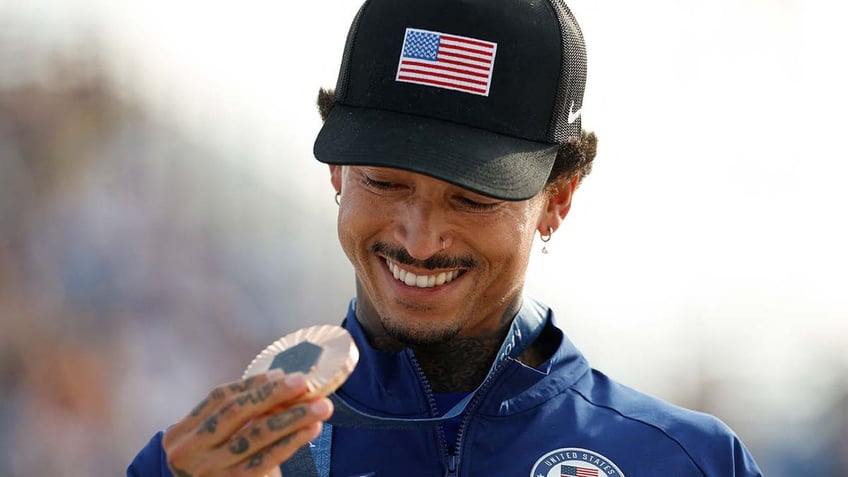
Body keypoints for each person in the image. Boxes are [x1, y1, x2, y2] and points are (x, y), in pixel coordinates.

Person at [129, 0, 764, 475]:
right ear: (337, 171)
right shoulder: (206, 462)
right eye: (384, 181)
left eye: (472, 198)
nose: (421, 240)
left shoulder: (688, 461)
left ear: (559, 198)